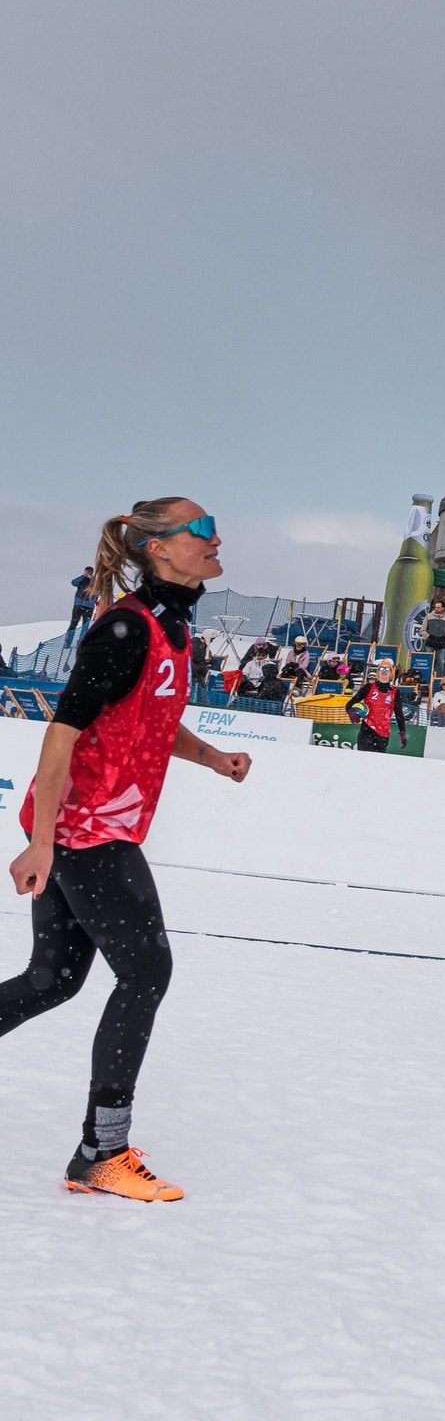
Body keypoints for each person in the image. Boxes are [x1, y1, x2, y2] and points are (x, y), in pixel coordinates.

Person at [2, 498, 251, 1200]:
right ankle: (100, 1151)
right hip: (85, 830)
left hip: (85, 828)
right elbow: (62, 731)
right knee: (147, 970)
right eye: (200, 529)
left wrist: (212, 758)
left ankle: (99, 1149)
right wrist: (44, 843)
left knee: (53, 979)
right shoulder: (122, 627)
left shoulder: (170, 630)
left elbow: (151, 718)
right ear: (159, 549)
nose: (215, 537)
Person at [346, 660, 410, 754]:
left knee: (376, 765)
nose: (384, 671)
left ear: (391, 674)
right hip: (366, 731)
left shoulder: (395, 692)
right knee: (364, 761)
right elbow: (350, 703)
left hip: (383, 735)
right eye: (381, 668)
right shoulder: (368, 687)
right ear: (378, 673)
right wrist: (350, 711)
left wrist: (403, 732)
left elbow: (399, 714)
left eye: (387, 669)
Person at [67, 566, 98, 643]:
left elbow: (98, 589)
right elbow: (73, 582)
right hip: (78, 604)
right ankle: (68, 642)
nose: (89, 573)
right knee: (73, 623)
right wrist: (83, 576)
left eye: (90, 572)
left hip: (89, 606)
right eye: (87, 571)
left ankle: (80, 642)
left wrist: (91, 578)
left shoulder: (95, 581)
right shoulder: (82, 579)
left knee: (85, 625)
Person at [423, 600, 445, 674]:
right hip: (430, 645)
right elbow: (422, 630)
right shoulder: (428, 616)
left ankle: (438, 680)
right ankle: (428, 678)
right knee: (429, 663)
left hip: (441, 645)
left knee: (440, 664)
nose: (436, 609)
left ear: (443, 608)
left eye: (438, 607)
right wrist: (429, 637)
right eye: (436, 607)